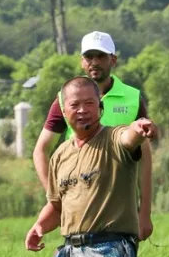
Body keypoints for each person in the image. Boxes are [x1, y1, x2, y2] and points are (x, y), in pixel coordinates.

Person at [25, 76, 156, 257]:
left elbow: (129, 137)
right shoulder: (60, 154)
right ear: (64, 111)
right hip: (70, 254)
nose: (82, 110)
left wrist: (139, 127)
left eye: (89, 103)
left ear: (101, 108)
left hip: (108, 250)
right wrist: (39, 227)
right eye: (75, 104)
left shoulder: (113, 139)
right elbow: (57, 204)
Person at [32, 31, 153, 241]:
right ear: (81, 62)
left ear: (113, 60)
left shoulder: (133, 98)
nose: (94, 62)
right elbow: (41, 149)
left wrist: (145, 212)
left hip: (119, 208)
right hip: (79, 202)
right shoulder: (65, 99)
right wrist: (56, 200)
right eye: (89, 57)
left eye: (100, 56)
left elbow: (145, 155)